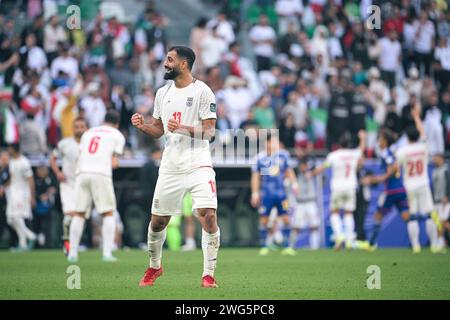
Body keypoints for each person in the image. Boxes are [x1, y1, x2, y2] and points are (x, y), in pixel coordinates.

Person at [131, 46, 220, 288]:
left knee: (208, 215)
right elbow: (159, 130)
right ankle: (154, 267)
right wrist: (143, 126)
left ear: (183, 64)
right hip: (170, 164)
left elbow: (210, 132)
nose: (165, 63)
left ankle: (208, 275)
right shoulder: (162, 93)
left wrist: (183, 128)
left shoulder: (203, 92)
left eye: (170, 59)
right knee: (158, 222)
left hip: (198, 162)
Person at [67, 110, 125, 263]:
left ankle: (72, 253)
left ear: (103, 119)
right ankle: (107, 253)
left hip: (82, 173)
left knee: (79, 214)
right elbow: (113, 162)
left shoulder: (88, 132)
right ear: (117, 124)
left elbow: (81, 154)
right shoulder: (117, 135)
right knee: (108, 213)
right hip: (101, 174)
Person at [310, 130, 366, 250]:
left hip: (337, 187)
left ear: (339, 144)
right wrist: (362, 139)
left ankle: (339, 236)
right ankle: (350, 239)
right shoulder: (354, 154)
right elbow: (361, 153)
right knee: (348, 212)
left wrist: (312, 173)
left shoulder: (333, 155)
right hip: (351, 186)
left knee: (334, 212)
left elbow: (323, 167)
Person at [395, 107, 439, 253]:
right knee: (428, 214)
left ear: (407, 138)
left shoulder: (403, 151)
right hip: (423, 183)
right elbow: (423, 133)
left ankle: (416, 246)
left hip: (409, 185)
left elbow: (396, 167)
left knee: (412, 216)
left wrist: (397, 174)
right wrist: (416, 117)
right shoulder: (423, 147)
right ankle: (433, 245)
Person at [361, 128, 410, 251]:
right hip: (400, 189)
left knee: (377, 215)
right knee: (407, 217)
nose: (378, 141)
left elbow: (393, 167)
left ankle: (371, 244)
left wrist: (377, 179)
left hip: (391, 191)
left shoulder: (386, 153)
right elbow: (395, 167)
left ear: (385, 140)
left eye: (380, 138)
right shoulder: (390, 152)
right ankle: (427, 218)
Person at [250, 133, 299, 256]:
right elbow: (255, 177)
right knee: (264, 221)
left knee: (287, 218)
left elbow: (289, 171)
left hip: (282, 194)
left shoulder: (283, 155)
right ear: (266, 143)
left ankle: (288, 246)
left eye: (275, 142)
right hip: (266, 194)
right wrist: (255, 193)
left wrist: (294, 184)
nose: (275, 144)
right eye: (272, 142)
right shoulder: (259, 158)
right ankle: (265, 245)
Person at [50, 117, 88, 255]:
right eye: (76, 127)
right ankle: (67, 243)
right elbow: (52, 159)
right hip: (67, 184)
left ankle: (74, 243)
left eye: (81, 126)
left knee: (80, 217)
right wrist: (58, 172)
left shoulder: (89, 144)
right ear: (73, 128)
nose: (79, 129)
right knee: (69, 216)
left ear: (86, 128)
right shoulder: (64, 144)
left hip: (83, 185)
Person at [6, 143, 37, 251]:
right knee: (10, 219)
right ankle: (24, 242)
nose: (8, 151)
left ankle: (28, 239)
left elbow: (30, 179)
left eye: (9, 149)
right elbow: (12, 178)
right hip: (12, 192)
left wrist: (32, 197)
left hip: (22, 193)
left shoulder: (24, 162)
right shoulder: (11, 161)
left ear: (15, 150)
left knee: (17, 217)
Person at [289, 157, 320, 251]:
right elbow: (289, 171)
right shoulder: (296, 174)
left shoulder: (311, 172)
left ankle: (314, 247)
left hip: (311, 202)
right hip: (300, 203)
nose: (303, 167)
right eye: (302, 165)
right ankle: (291, 246)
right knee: (296, 226)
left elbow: (316, 169)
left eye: (305, 165)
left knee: (314, 225)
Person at [431, 153, 449, 252]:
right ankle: (440, 242)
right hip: (437, 200)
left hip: (445, 200)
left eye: (436, 158)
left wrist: (447, 196)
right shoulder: (434, 171)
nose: (434, 160)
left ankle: (440, 241)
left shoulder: (446, 170)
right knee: (439, 222)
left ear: (441, 158)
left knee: (443, 222)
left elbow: (448, 183)